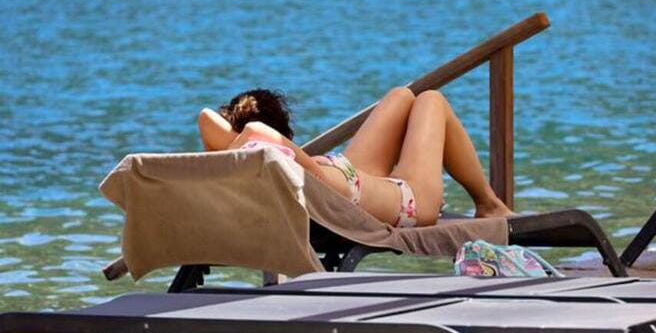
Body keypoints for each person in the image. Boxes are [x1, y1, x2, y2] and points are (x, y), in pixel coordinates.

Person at [198, 87, 515, 227]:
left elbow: (205, 119)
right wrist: (248, 131)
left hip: (353, 177)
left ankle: (489, 203)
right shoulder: (259, 141)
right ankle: (488, 205)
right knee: (431, 100)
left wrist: (234, 138)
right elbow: (248, 129)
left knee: (401, 96)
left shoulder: (241, 159)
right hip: (408, 199)